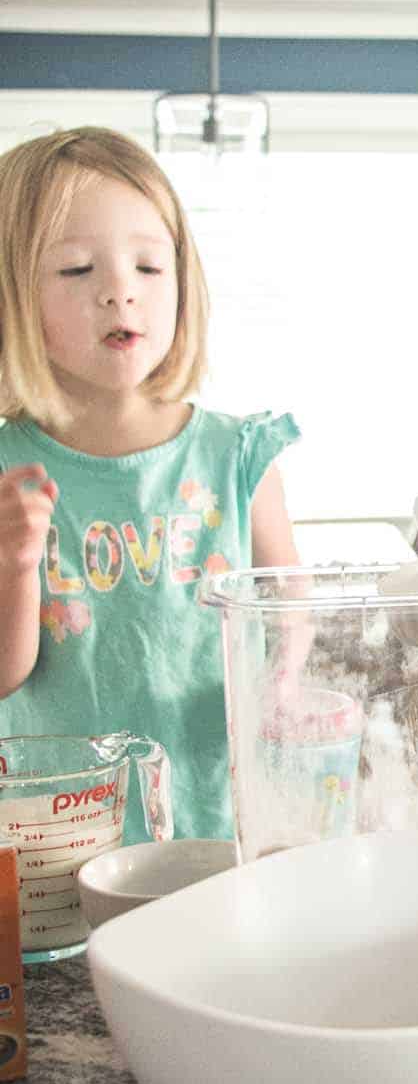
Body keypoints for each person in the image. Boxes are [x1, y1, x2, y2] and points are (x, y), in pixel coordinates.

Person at [0, 127, 299, 843]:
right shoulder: (7, 473)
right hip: (60, 839)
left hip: (222, 818)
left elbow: (290, 601)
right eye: (76, 270)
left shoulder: (239, 455)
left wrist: (281, 684)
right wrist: (13, 566)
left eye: (148, 267)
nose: (118, 293)